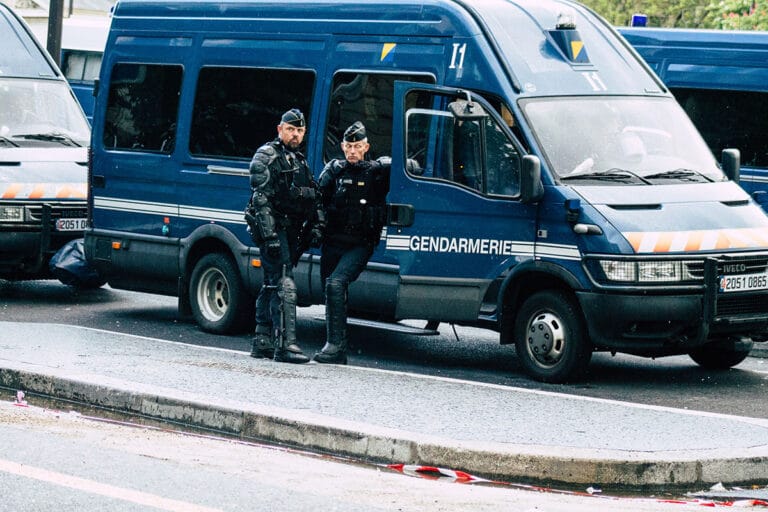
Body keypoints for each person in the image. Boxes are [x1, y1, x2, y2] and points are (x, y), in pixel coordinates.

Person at [245, 108, 322, 364]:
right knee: (284, 283)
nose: (295, 134)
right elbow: (261, 198)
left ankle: (262, 341)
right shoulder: (267, 155)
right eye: (291, 129)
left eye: (300, 131)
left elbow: (311, 195)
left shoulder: (298, 159)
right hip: (273, 229)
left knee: (272, 282)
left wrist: (315, 226)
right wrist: (269, 237)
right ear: (280, 129)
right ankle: (285, 345)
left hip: (289, 230)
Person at [313, 121, 390, 364]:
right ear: (343, 147)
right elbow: (316, 200)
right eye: (349, 146)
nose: (353, 151)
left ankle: (336, 347)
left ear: (366, 146)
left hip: (360, 243)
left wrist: (389, 162)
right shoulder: (334, 171)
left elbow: (410, 169)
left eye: (357, 146)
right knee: (331, 288)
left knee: (336, 284)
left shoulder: (377, 172)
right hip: (333, 241)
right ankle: (335, 344)